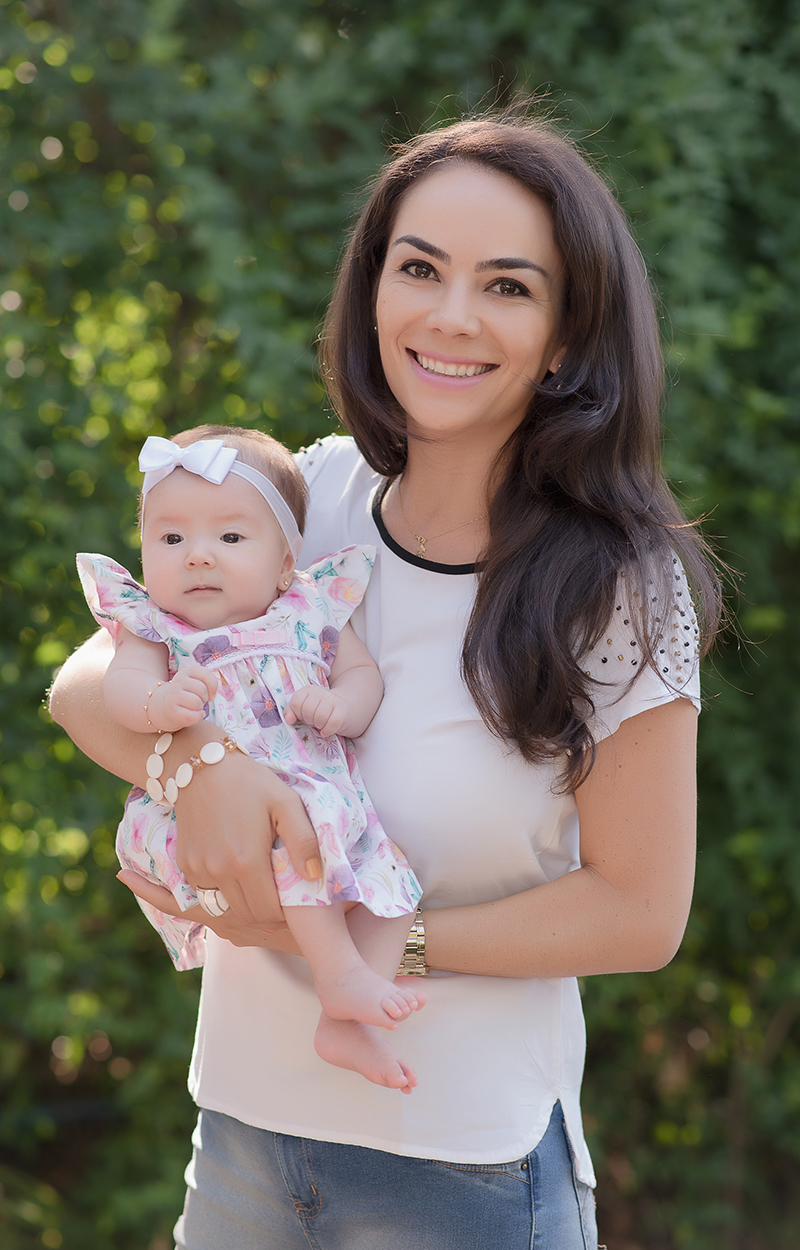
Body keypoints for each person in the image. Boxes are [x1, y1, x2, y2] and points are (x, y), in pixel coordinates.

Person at [50, 110, 720, 1250]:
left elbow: (639, 910)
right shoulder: (313, 495)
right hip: (244, 1140)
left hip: (463, 1168)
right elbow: (85, 679)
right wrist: (199, 761)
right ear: (374, 289)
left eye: (507, 287)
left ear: (565, 334)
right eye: (419, 268)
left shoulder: (618, 584)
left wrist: (383, 938)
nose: (449, 316)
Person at [76, 425, 425, 1092]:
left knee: (393, 883)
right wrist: (160, 705)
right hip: (206, 820)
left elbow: (362, 677)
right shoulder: (157, 628)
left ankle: (348, 1018)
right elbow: (117, 689)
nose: (198, 557)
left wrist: (342, 707)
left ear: (286, 564)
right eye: (171, 539)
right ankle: (340, 976)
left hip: (313, 791)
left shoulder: (310, 609)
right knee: (295, 830)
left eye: (230, 538)